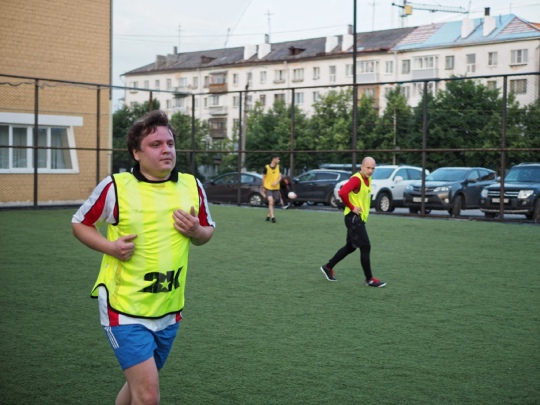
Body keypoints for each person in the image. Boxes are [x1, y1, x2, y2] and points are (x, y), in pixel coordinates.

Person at [71, 110, 215, 404]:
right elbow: (80, 223)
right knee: (148, 395)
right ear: (136, 152)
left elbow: (206, 233)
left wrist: (196, 231)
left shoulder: (192, 185)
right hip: (124, 307)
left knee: (138, 389)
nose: (166, 149)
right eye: (155, 144)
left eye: (170, 143)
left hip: (169, 307)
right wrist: (110, 247)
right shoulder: (116, 187)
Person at [320, 156, 386, 287]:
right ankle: (369, 279)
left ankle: (328, 267)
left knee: (350, 247)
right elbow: (342, 192)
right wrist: (352, 207)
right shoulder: (356, 179)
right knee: (365, 246)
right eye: (368, 168)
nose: (370, 171)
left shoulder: (368, 179)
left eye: (373, 168)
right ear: (362, 167)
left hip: (357, 218)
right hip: (354, 218)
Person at [262, 155, 282, 222]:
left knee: (272, 202)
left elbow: (280, 177)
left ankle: (268, 215)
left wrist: (276, 182)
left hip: (276, 187)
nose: (279, 160)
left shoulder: (279, 167)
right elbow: (263, 178)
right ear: (274, 159)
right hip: (268, 187)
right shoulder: (266, 167)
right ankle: (273, 217)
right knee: (270, 201)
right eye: (278, 159)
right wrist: (263, 187)